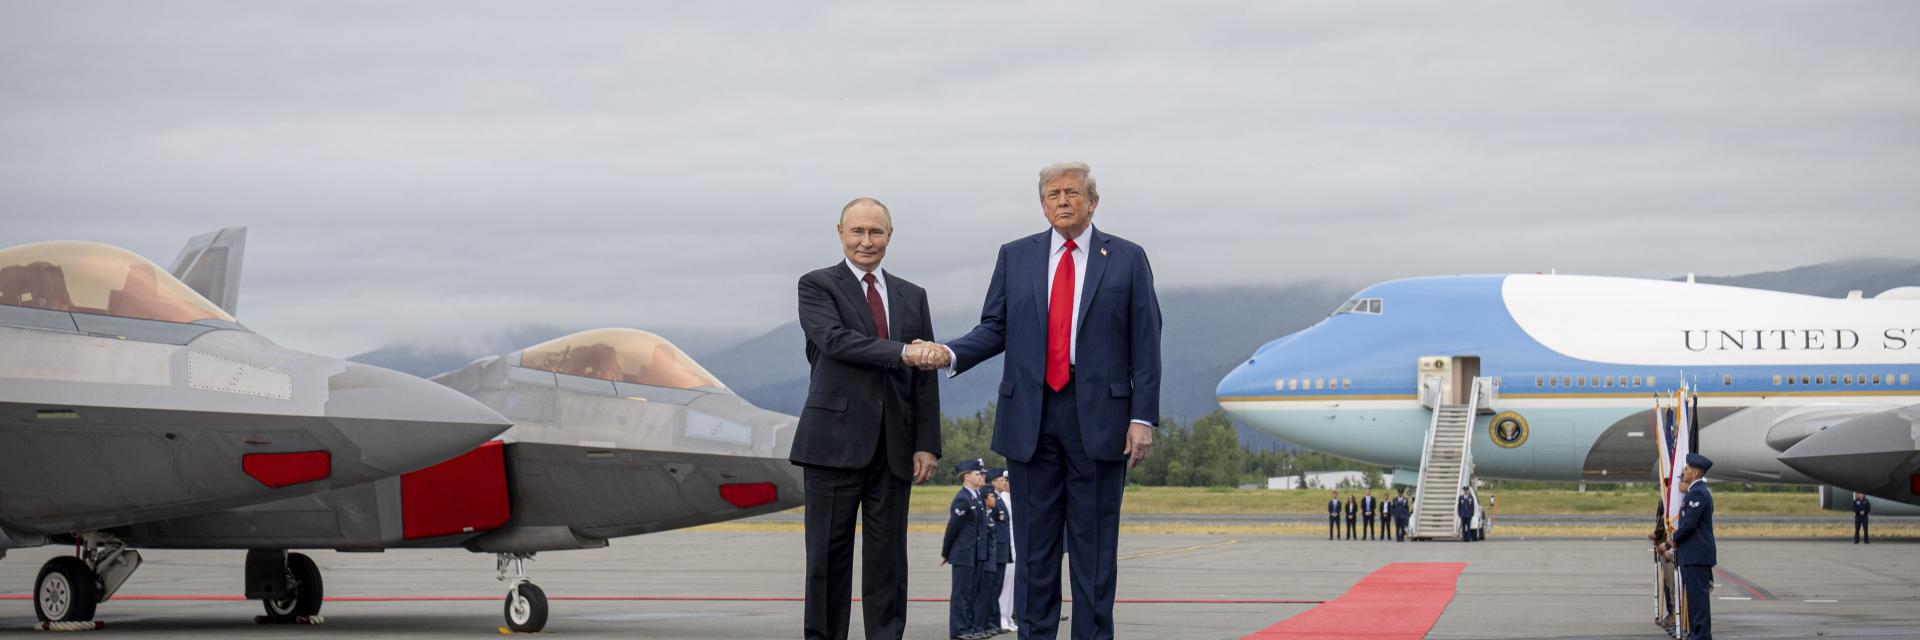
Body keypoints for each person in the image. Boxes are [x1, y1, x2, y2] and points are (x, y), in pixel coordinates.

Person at [909, 162, 1162, 640]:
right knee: (1034, 551)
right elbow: (995, 327)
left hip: (1101, 422)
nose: (1062, 201)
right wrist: (950, 352)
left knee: (1093, 553)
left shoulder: (1127, 258)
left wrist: (1142, 416)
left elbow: (1145, 343)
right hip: (1031, 418)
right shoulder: (1015, 256)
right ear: (1041, 203)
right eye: (1052, 194)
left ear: (1093, 201)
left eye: (1071, 192)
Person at [791, 198, 942, 640]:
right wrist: (903, 350)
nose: (866, 241)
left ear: (889, 237)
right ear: (840, 233)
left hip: (894, 449)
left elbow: (924, 379)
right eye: (857, 232)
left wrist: (926, 442)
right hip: (832, 445)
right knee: (827, 559)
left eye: (876, 232)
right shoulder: (817, 286)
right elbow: (837, 341)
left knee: (888, 562)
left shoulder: (913, 295)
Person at [944, 460, 995, 640]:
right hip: (964, 553)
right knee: (961, 594)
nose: (981, 476)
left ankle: (970, 628)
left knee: (972, 592)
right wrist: (946, 552)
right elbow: (953, 527)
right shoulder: (962, 498)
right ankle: (959, 631)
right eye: (977, 474)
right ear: (966, 477)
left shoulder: (977, 497)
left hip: (976, 553)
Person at [1670, 453, 1717, 640]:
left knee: (1698, 598)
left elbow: (1690, 524)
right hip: (1692, 553)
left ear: (1696, 474)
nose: (1684, 471)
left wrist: (1673, 538)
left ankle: (1701, 635)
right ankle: (1698, 632)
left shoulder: (1698, 492)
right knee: (1695, 598)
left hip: (1696, 553)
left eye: (1687, 469)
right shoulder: (1695, 491)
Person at [991, 469, 1018, 634]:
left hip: (1013, 547)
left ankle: (1007, 618)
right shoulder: (1004, 500)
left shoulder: (1010, 499)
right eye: (1005, 480)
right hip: (1006, 547)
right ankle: (1001, 618)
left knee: (1010, 586)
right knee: (1004, 586)